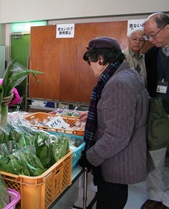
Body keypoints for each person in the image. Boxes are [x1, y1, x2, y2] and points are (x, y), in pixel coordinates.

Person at [78, 36, 154, 209]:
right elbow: (123, 112)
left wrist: (90, 157)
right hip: (123, 159)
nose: (90, 67)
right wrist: (96, 113)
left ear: (101, 59)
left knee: (110, 201)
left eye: (90, 61)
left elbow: (117, 136)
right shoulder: (128, 74)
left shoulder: (118, 84)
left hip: (117, 163)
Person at [141, 12, 169, 209]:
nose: (150, 39)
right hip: (157, 113)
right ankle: (156, 196)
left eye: (153, 34)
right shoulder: (150, 55)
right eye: (148, 36)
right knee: (155, 156)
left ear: (167, 28)